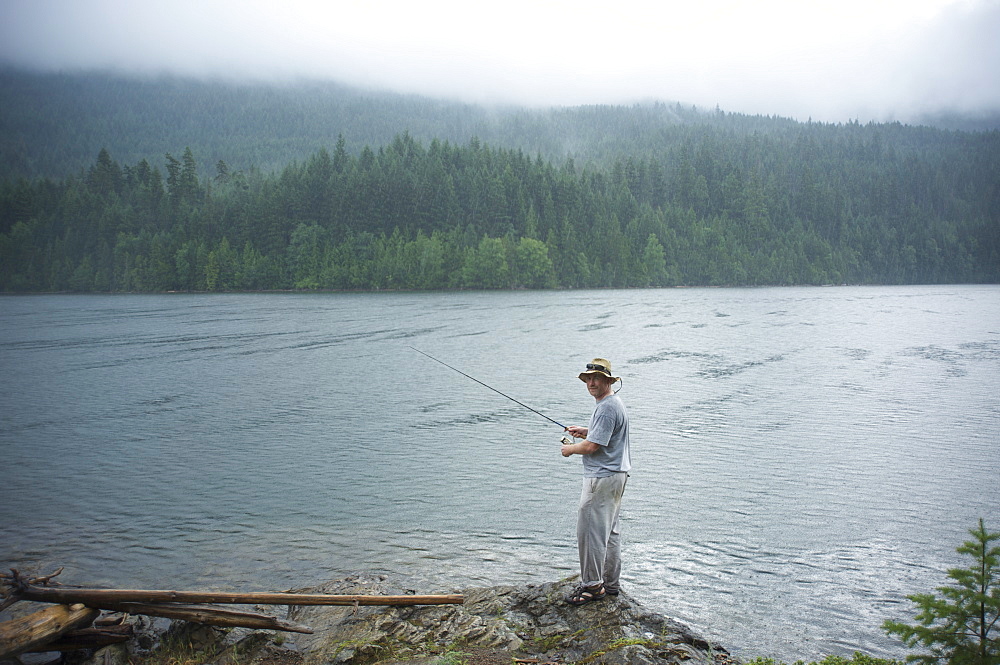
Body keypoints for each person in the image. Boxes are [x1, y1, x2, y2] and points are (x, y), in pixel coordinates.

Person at [561, 357, 631, 605]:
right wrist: (586, 430)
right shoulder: (613, 404)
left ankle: (592, 587)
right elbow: (602, 436)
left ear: (607, 381)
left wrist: (570, 449)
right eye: (588, 378)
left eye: (596, 378)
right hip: (616, 476)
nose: (591, 382)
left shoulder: (606, 407)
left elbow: (591, 447)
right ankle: (611, 585)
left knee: (590, 532)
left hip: (601, 479)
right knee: (610, 533)